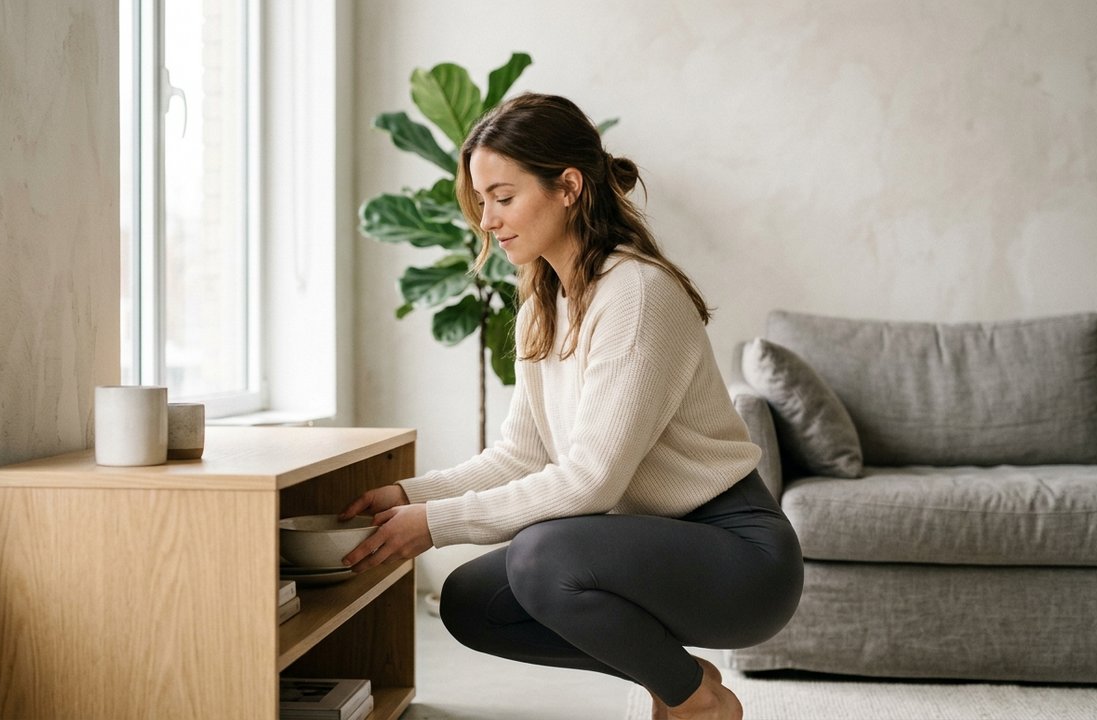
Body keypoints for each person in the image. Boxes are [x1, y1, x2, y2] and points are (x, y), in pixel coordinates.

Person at [339, 92, 803, 720]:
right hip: (653, 544)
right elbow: (520, 456)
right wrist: (411, 497)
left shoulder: (636, 293)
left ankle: (698, 705)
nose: (488, 220)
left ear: (568, 187)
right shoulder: (544, 308)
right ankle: (683, 678)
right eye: (481, 203)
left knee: (541, 558)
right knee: (472, 601)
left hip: (740, 555)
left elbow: (591, 480)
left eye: (504, 197)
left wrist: (435, 524)